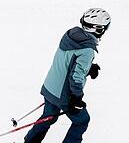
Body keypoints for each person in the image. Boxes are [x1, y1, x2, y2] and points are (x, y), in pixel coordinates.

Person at [23, 8, 111, 143]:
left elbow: (68, 62)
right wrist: (76, 98)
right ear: (99, 29)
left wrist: (88, 68)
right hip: (63, 94)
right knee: (82, 121)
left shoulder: (71, 36)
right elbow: (76, 77)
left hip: (50, 87)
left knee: (49, 116)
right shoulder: (88, 50)